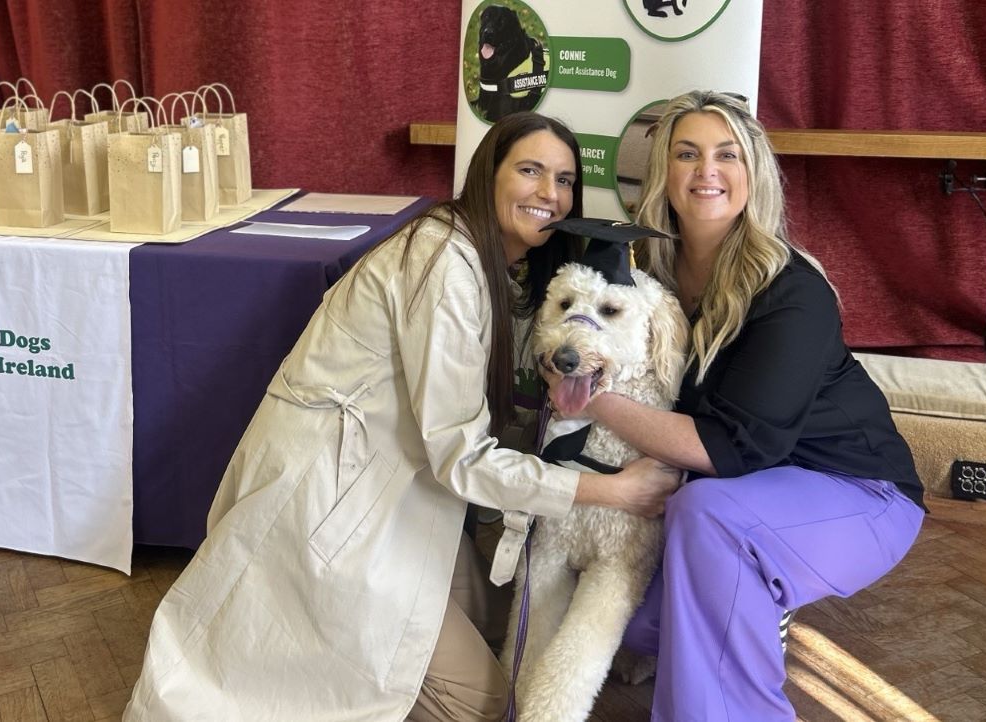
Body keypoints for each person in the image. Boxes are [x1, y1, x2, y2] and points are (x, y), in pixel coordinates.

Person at [122, 112, 681, 722]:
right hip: (334, 500)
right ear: (489, 173)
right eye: (530, 170)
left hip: (401, 493)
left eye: (565, 179)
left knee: (504, 617)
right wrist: (613, 491)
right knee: (484, 702)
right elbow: (460, 457)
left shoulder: (481, 258)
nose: (550, 193)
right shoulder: (444, 261)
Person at [542, 90, 927, 721]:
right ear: (663, 171)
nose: (706, 171)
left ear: (754, 174)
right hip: (745, 497)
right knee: (636, 627)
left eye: (727, 155)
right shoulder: (648, 281)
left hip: (857, 492)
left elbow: (734, 448)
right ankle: (755, 600)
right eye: (686, 154)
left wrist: (590, 403)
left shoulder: (793, 290)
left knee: (711, 513)